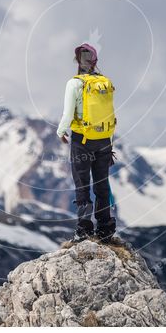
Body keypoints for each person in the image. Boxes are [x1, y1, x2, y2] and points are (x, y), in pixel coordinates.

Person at [57, 43, 117, 243]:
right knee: (102, 184)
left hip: (81, 140)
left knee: (82, 183)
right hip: (104, 140)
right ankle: (105, 229)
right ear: (95, 61)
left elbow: (67, 114)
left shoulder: (74, 83)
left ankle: (84, 229)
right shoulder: (104, 82)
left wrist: (60, 131)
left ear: (77, 61)